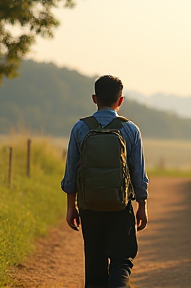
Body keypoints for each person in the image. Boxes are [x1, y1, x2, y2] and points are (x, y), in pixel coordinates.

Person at [61, 75, 149, 288]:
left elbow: (71, 172)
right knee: (122, 260)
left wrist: (71, 207)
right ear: (121, 100)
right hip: (120, 206)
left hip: (89, 207)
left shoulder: (80, 128)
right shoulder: (130, 130)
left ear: (94, 98)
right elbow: (138, 174)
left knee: (95, 263)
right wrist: (142, 206)